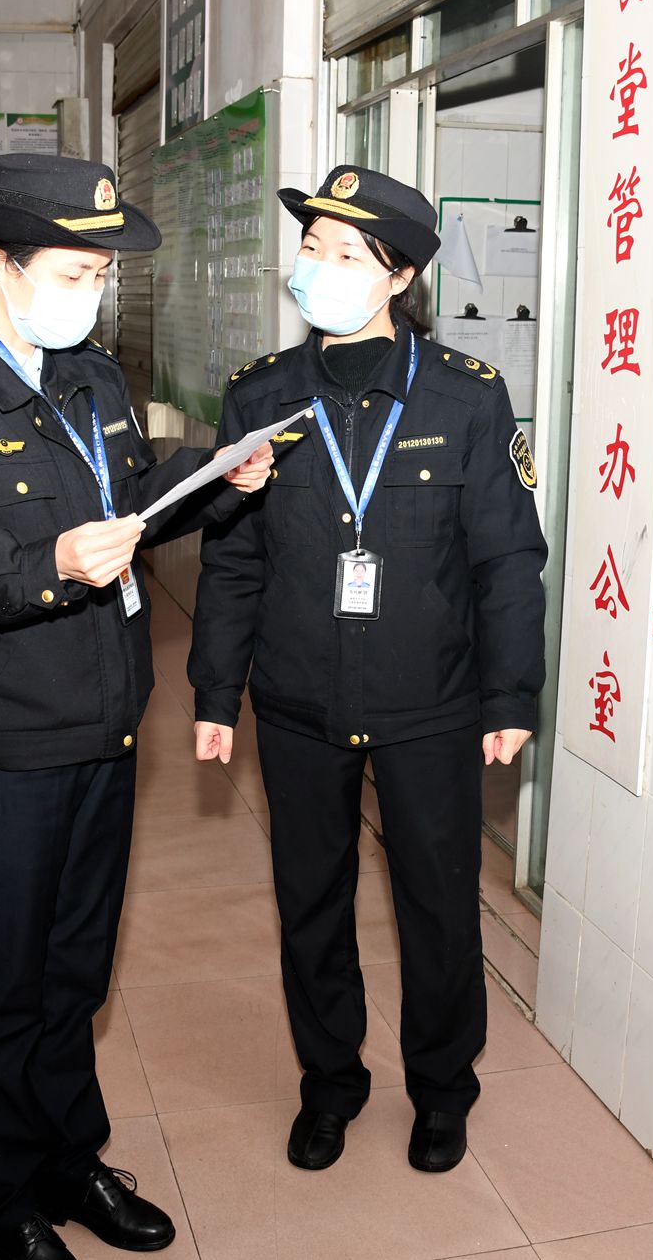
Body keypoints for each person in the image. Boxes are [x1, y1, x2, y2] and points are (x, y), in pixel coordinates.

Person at [0, 153, 272, 1260]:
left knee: (76, 968)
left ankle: (71, 1156)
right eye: (72, 269)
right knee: (6, 981)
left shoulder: (90, 378)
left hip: (108, 725)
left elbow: (124, 502)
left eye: (100, 272)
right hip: (6, 739)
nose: (92, 290)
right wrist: (45, 562)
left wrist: (210, 476)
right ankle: (1, 1200)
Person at [187, 164, 548, 1177]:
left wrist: (508, 691)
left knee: (436, 905)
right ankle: (329, 1083)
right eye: (311, 248)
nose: (319, 268)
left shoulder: (467, 397)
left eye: (346, 255)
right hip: (299, 701)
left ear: (397, 277)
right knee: (310, 900)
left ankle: (442, 1089)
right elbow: (234, 555)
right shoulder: (259, 396)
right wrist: (216, 691)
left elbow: (506, 559)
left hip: (428, 703)